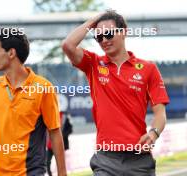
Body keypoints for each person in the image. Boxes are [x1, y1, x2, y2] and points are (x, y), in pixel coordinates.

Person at [62, 10, 169, 176]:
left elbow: (160, 114)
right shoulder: (93, 64)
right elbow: (68, 45)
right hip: (105, 159)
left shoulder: (149, 69)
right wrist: (95, 20)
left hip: (139, 159)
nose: (104, 40)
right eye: (99, 37)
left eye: (109, 34)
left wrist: (153, 133)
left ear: (124, 32)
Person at [0, 28, 67, 176]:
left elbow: (54, 133)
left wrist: (62, 174)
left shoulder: (43, 87)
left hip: (31, 172)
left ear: (11, 53)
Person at [46, 111, 73, 176]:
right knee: (47, 163)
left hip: (60, 145)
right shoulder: (49, 114)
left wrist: (63, 135)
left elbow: (70, 129)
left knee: (60, 165)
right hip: (49, 146)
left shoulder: (65, 117)